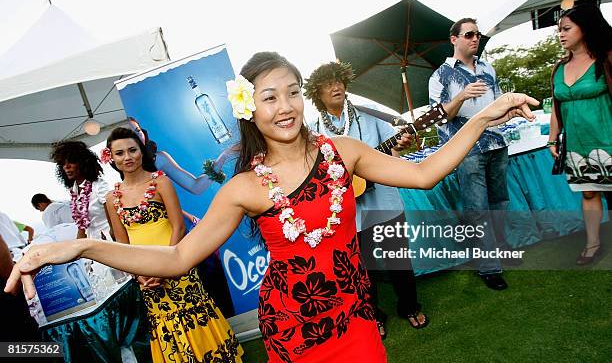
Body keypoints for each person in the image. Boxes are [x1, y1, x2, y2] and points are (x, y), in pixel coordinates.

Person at [6, 51, 537, 363]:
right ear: (248, 107)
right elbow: (175, 259)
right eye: (269, 96)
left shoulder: (341, 154)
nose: (285, 107)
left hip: (355, 316)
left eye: (292, 92)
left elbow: (424, 173)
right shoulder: (243, 188)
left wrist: (481, 117)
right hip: (293, 325)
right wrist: (76, 245)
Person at [303, 61, 428, 338]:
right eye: (328, 84)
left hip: (385, 204)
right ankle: (375, 315)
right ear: (317, 93)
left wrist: (401, 144)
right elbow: (314, 174)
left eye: (339, 81)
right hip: (349, 213)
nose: (335, 86)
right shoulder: (312, 133)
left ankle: (409, 306)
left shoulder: (371, 117)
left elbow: (393, 157)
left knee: (399, 260)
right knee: (362, 270)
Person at [102, 127, 243, 363]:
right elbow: (121, 244)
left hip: (178, 267)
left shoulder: (161, 183)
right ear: (111, 158)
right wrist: (140, 277)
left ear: (141, 151)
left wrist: (167, 267)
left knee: (196, 317)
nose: (127, 157)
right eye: (120, 153)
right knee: (166, 326)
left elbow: (178, 227)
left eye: (132, 150)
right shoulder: (111, 198)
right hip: (147, 279)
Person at [429, 17, 514, 290]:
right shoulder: (440, 76)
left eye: (477, 34)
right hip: (467, 150)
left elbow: (498, 105)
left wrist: (508, 112)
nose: (475, 38)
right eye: (468, 34)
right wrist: (461, 96)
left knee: (499, 202)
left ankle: (499, 251)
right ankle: (489, 268)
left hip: (497, 144)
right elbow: (440, 118)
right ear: (454, 39)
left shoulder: (488, 67)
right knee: (477, 210)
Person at [548, 4, 612, 265]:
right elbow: (556, 105)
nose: (560, 34)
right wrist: (553, 138)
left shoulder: (606, 58)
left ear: (585, 28)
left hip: (608, 140)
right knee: (588, 194)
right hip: (578, 145)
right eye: (558, 30)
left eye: (566, 29)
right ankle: (593, 244)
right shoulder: (559, 68)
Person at [128, 116, 232, 195]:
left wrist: (224, 155)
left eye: (138, 131)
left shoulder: (159, 159)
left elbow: (195, 187)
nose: (137, 137)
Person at [50, 141, 113, 240]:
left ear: (83, 163)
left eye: (71, 161)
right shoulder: (74, 190)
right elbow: (82, 226)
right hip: (91, 243)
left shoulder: (99, 186)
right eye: (63, 163)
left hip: (109, 241)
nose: (66, 166)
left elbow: (114, 218)